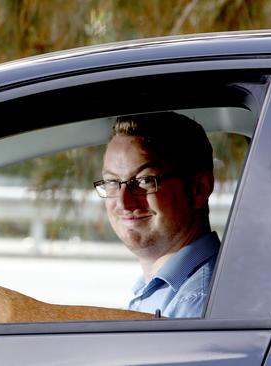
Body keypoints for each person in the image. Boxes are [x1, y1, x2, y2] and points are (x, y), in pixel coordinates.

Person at [93, 111, 220, 318]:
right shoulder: (158, 291)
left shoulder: (195, 305)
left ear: (198, 188)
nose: (124, 203)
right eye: (112, 183)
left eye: (144, 180)